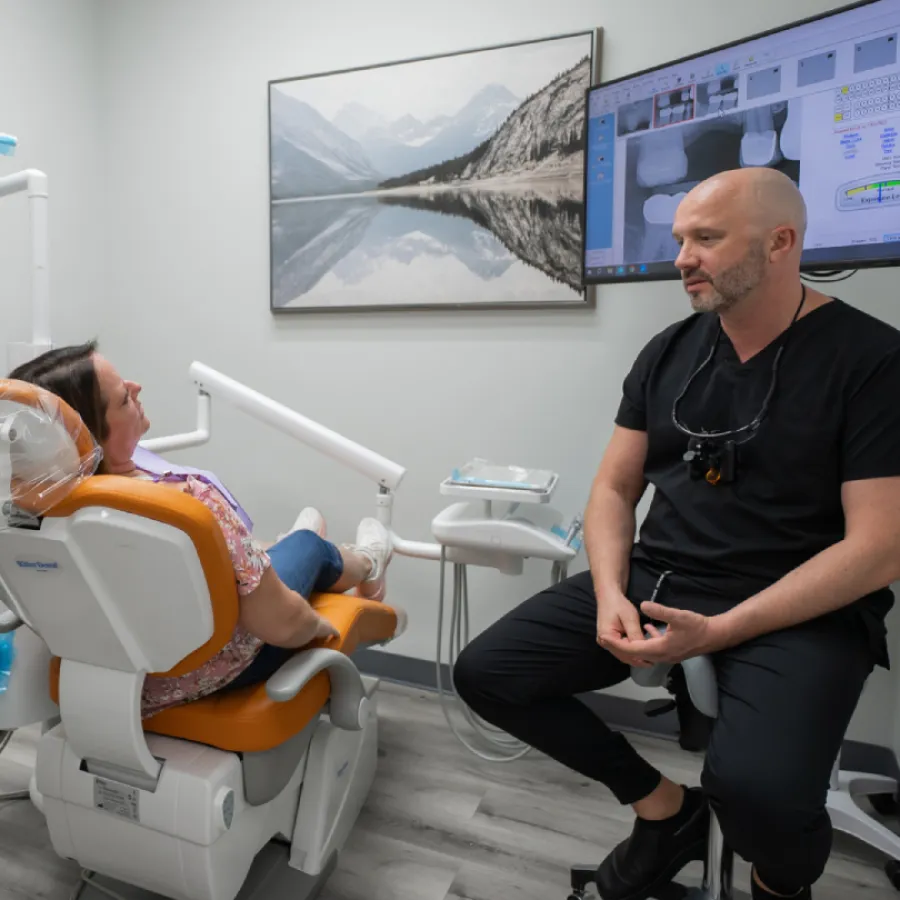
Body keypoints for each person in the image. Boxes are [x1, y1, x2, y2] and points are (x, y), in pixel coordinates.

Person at [453, 167, 900, 900]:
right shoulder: (670, 351)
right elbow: (614, 489)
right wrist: (608, 592)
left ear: (781, 242)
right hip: (659, 575)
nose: (682, 258)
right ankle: (665, 811)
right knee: (489, 672)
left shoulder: (872, 361)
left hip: (798, 607)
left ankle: (778, 886)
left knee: (761, 798)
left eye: (707, 239)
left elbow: (879, 549)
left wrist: (720, 631)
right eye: (680, 239)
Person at [7, 342, 393, 719]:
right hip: (212, 671)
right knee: (309, 547)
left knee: (273, 552)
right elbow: (280, 624)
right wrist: (319, 626)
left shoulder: (24, 515)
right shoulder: (184, 504)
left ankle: (279, 551)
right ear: (93, 435)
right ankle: (368, 561)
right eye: (124, 398)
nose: (137, 388)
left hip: (98, 679)